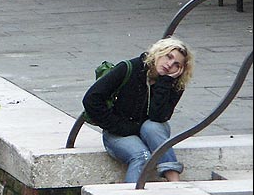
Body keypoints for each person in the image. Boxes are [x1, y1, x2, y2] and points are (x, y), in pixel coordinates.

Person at [83, 38, 194, 183]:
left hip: (150, 133)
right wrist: (120, 126)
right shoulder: (129, 68)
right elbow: (91, 99)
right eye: (168, 56)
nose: (169, 65)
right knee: (142, 156)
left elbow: (159, 117)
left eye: (176, 65)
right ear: (159, 52)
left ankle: (173, 178)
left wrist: (164, 83)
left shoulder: (174, 84)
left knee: (152, 127)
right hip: (118, 133)